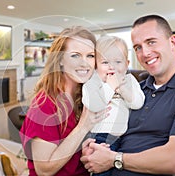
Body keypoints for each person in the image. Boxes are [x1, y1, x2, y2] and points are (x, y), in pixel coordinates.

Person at [81, 14, 175, 176]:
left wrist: (114, 159)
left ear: (173, 42)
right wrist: (93, 150)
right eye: (138, 47)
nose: (145, 53)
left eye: (151, 42)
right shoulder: (136, 89)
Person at [20, 26, 110, 176]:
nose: (85, 63)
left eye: (90, 55)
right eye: (75, 55)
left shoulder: (85, 96)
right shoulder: (45, 104)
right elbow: (44, 170)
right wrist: (83, 126)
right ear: (60, 59)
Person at [82, 35, 145, 176]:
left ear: (127, 63)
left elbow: (138, 103)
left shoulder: (129, 80)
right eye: (105, 62)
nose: (112, 67)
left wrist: (122, 89)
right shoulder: (93, 81)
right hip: (100, 137)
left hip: (125, 136)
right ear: (96, 65)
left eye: (118, 61)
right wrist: (110, 87)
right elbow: (94, 105)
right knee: (101, 171)